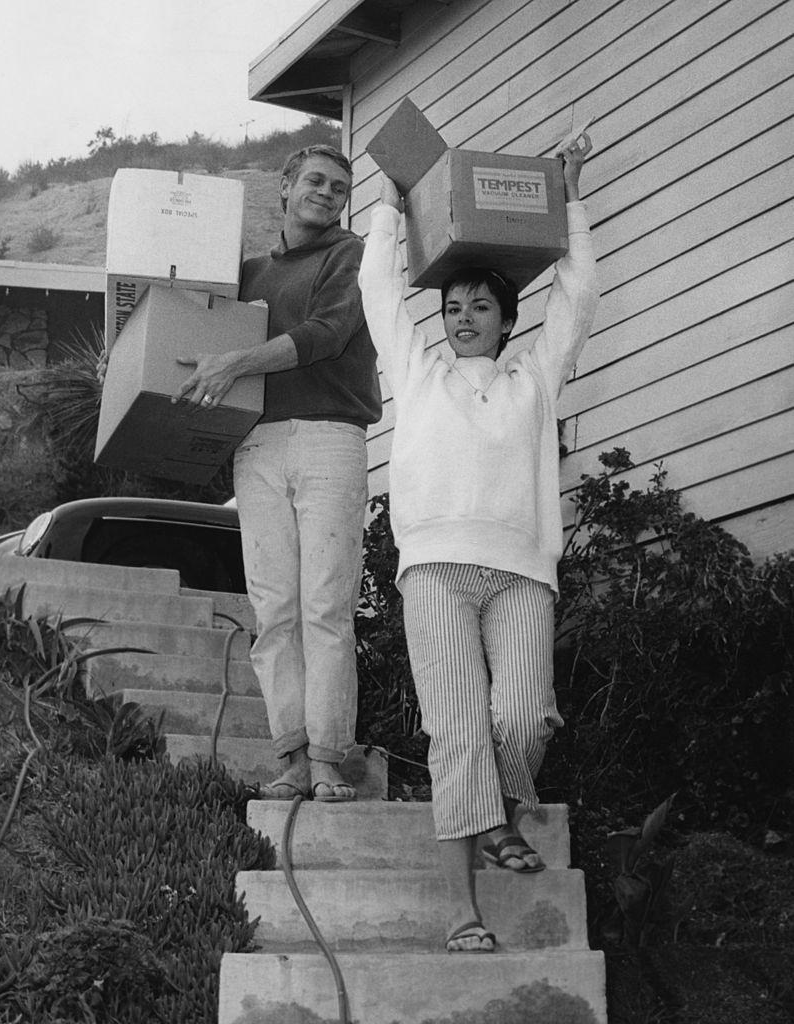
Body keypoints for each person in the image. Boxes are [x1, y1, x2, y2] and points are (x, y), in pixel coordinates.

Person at [358, 133, 597, 950]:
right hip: (434, 572)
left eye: (480, 308)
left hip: (521, 572)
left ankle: (502, 813)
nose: (463, 319)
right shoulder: (418, 374)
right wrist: (390, 204)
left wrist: (569, 193)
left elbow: (577, 295)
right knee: (457, 732)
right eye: (453, 308)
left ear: (506, 319)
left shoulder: (534, 380)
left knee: (524, 718)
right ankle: (462, 909)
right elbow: (378, 291)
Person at [174, 144, 382, 802]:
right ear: (285, 186)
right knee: (274, 609)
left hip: (329, 437)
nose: (327, 193)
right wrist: (133, 361)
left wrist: (237, 362)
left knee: (326, 605)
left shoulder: (350, 254)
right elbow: (189, 335)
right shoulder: (246, 273)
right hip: (257, 445)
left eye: (339, 187)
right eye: (315, 181)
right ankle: (290, 757)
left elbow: (329, 331)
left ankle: (328, 759)